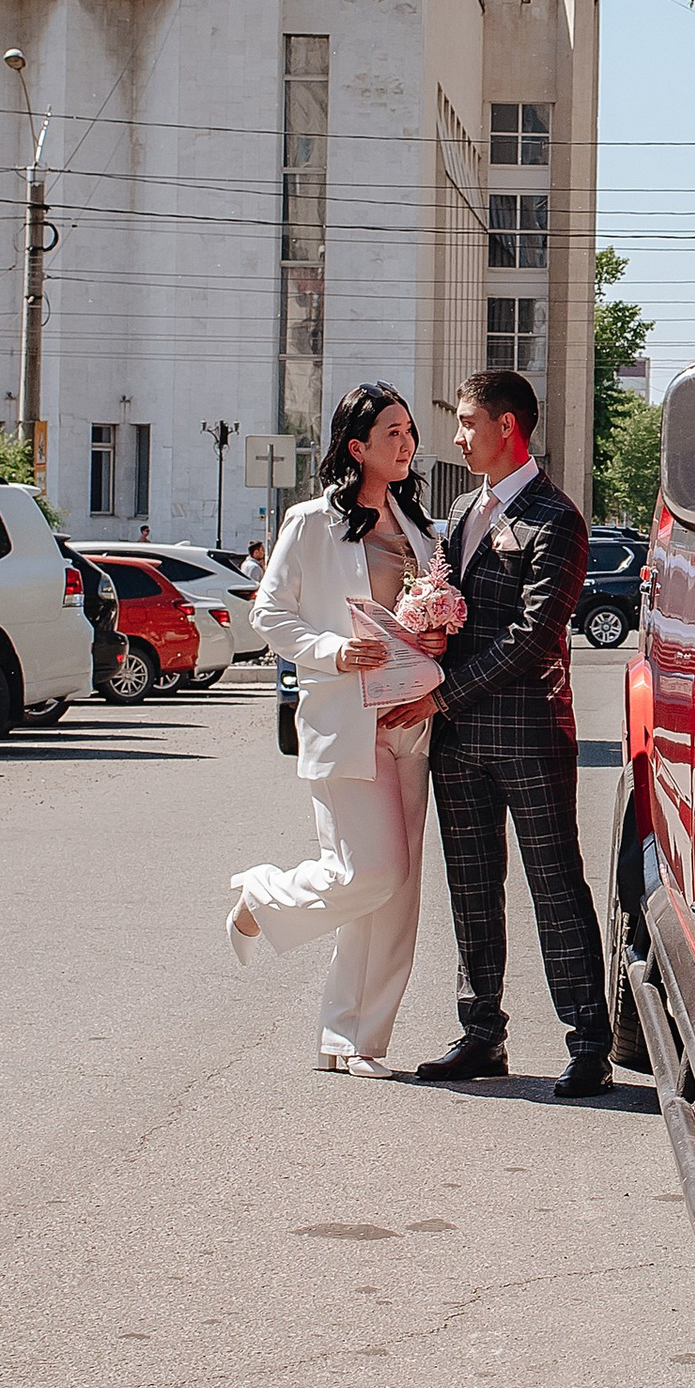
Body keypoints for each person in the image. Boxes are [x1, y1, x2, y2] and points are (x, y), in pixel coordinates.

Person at [227, 382, 445, 1077]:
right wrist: (332, 650)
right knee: (369, 872)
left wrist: (436, 637)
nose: (406, 443)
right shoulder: (310, 523)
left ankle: (354, 1040)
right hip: (343, 720)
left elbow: (424, 616)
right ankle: (262, 897)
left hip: (408, 723)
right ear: (357, 447)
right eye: (392, 433)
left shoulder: (420, 527)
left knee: (396, 891)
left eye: (410, 430)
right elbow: (269, 613)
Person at [413, 367, 612, 1097]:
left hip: (527, 735)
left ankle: (589, 1040)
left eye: (468, 422)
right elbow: (445, 605)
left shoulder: (556, 518)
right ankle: (481, 1032)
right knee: (471, 887)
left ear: (507, 427)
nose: (458, 436)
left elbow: (535, 636)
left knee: (555, 886)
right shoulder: (463, 509)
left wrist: (443, 695)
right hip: (459, 742)